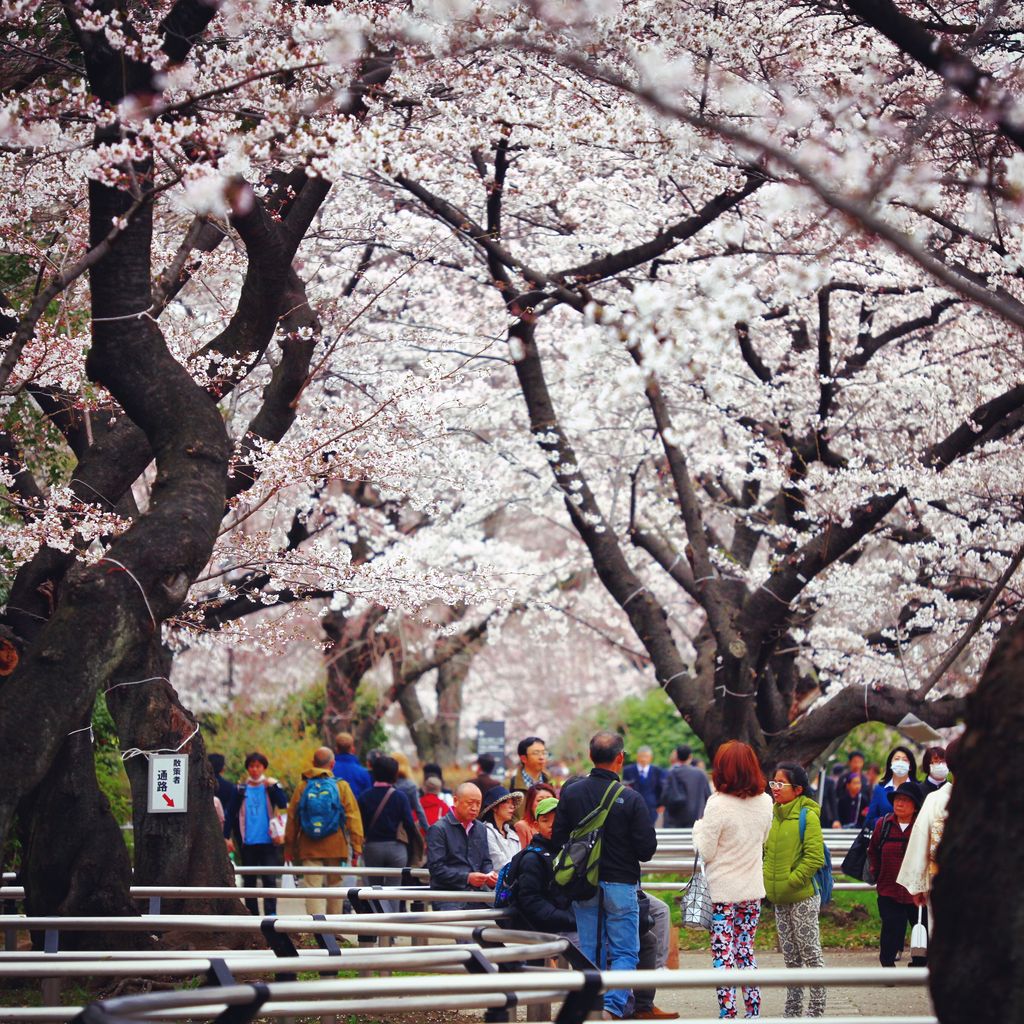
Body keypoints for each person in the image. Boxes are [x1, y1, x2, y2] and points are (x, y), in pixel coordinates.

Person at [552, 731, 657, 1021]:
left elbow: (559, 837)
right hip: (621, 884)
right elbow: (647, 849)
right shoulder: (631, 798)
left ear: (590, 756)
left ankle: (592, 1005)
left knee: (589, 949)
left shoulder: (571, 793)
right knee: (625, 951)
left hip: (583, 883)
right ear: (620, 758)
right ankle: (612, 1007)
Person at [693, 741, 773, 1019]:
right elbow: (763, 839)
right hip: (752, 890)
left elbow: (706, 850)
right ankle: (753, 1011)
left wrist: (698, 829)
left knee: (723, 954)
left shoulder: (717, 804)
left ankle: (728, 1013)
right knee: (745, 952)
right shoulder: (766, 801)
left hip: (723, 894)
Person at [764, 761, 826, 1019]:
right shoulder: (772, 814)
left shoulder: (807, 816)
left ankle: (815, 1010)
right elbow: (766, 852)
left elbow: (815, 857)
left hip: (802, 897)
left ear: (798, 789)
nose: (775, 788)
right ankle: (792, 1010)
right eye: (773, 783)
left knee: (810, 954)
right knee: (790, 957)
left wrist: (791, 881)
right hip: (779, 898)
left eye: (781, 784)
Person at [283, 746, 363, 915]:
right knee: (335, 887)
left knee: (312, 887)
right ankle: (334, 930)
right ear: (332, 764)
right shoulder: (341, 786)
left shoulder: (302, 786)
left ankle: (316, 931)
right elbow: (353, 817)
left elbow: (292, 818)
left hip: (309, 845)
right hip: (336, 845)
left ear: (313, 763)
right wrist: (357, 846)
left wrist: (288, 848)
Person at [897, 736, 960, 916]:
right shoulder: (991, 800)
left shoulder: (935, 800)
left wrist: (918, 885)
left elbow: (920, 840)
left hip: (942, 882)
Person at [867, 779, 925, 967]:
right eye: (897, 799)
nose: (899, 803)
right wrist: (877, 872)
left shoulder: (922, 827)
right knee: (891, 928)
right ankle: (888, 967)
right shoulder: (883, 825)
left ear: (915, 806)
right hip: (889, 889)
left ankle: (919, 965)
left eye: (905, 800)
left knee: (921, 928)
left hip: (916, 891)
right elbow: (873, 850)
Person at [357, 755, 419, 908]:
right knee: (393, 890)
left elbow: (359, 825)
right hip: (396, 849)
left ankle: (377, 925)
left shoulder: (364, 797)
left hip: (372, 848)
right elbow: (409, 824)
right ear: (395, 774)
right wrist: (412, 847)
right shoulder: (400, 797)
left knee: (373, 890)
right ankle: (392, 929)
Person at [510, 795, 577, 933]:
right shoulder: (532, 858)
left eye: (557, 819)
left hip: (571, 925)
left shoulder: (569, 850)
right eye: (545, 820)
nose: (552, 825)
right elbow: (531, 900)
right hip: (551, 932)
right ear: (536, 826)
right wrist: (569, 919)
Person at [236, 751, 288, 916]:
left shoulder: (269, 787)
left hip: (268, 841)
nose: (255, 769)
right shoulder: (241, 789)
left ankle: (271, 913)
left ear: (263, 767)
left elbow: (282, 802)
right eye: (251, 766)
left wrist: (273, 785)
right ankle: (252, 913)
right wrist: (227, 836)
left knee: (269, 879)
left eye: (258, 766)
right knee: (249, 880)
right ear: (247, 768)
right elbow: (232, 813)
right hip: (248, 842)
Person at [426, 781, 496, 905]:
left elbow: (486, 861)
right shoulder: (438, 829)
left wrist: (489, 875)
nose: (474, 808)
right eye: (470, 803)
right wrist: (467, 878)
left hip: (477, 896)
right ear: (455, 801)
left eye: (478, 804)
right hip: (448, 897)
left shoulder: (480, 828)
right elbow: (436, 869)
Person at [865, 747, 918, 828]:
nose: (900, 762)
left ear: (910, 766)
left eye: (905, 760)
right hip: (886, 837)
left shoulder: (918, 788)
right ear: (890, 764)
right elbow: (869, 820)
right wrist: (887, 822)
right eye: (897, 759)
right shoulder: (880, 789)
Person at [660, 744, 710, 828]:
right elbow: (708, 797)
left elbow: (664, 798)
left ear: (677, 757)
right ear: (690, 756)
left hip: (673, 822)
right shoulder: (700, 774)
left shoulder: (671, 773)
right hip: (695, 820)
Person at [480, 786, 525, 871]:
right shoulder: (486, 831)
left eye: (512, 803)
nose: (512, 807)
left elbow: (520, 859)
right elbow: (499, 864)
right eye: (507, 802)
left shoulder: (512, 834)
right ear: (494, 807)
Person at [507, 736, 551, 820]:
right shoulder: (510, 785)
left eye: (543, 753)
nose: (541, 757)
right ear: (523, 758)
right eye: (536, 753)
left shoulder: (549, 782)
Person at [623, 746, 665, 825]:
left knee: (650, 828)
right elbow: (625, 788)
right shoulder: (628, 770)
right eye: (641, 756)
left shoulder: (657, 771)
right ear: (637, 757)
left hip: (651, 807)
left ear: (651, 758)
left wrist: (661, 804)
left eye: (646, 756)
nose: (643, 759)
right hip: (632, 806)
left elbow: (660, 788)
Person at [391, 750, 428, 832]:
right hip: (403, 830)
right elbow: (419, 810)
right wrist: (428, 830)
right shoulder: (410, 786)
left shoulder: (384, 783)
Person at [208, 752, 237, 853]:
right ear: (222, 768)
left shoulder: (201, 784)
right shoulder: (229, 786)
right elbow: (231, 811)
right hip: (222, 827)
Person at [332, 731, 372, 800]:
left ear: (336, 749)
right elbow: (368, 798)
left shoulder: (328, 770)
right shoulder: (363, 773)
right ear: (352, 749)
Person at [820, 763, 844, 829]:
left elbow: (833, 802)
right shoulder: (805, 780)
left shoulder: (829, 782)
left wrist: (836, 819)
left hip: (824, 817)